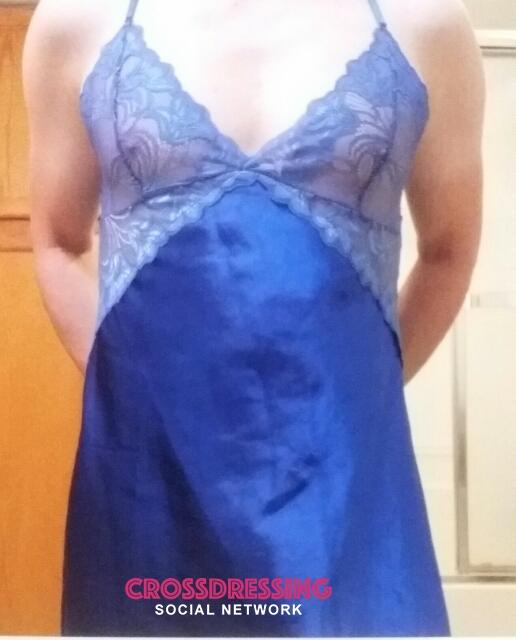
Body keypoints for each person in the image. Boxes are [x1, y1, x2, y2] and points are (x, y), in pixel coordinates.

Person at [23, 0, 484, 635]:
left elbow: (448, 250)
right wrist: (129, 394)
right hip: (149, 475)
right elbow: (57, 240)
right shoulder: (79, 19)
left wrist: (355, 400)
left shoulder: (425, 22)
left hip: (345, 476)